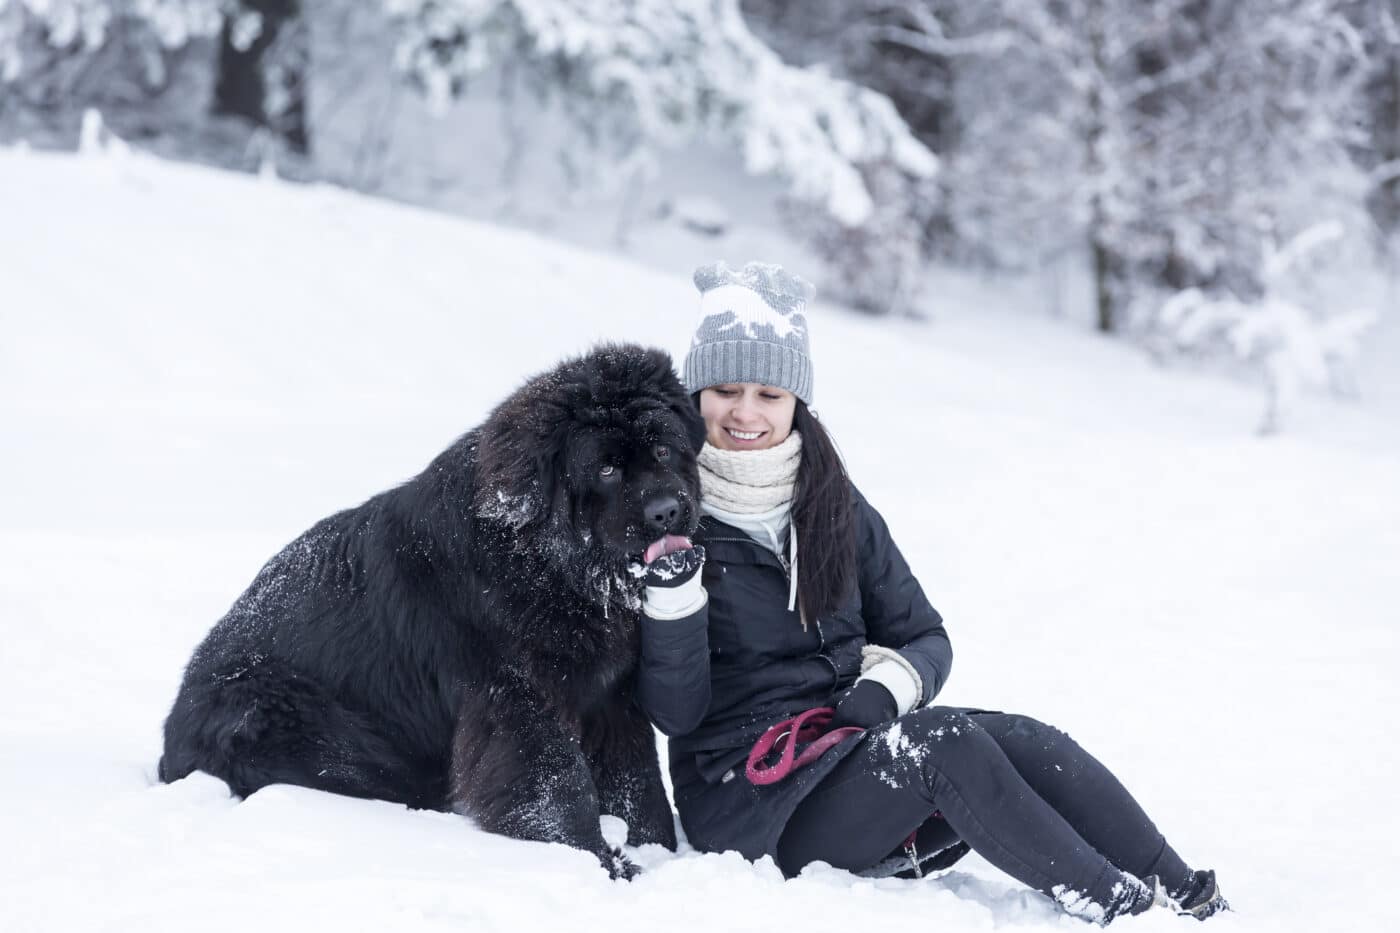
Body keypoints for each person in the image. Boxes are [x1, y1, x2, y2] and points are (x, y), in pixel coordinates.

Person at [632, 261, 1228, 925]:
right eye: (726, 390)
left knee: (1021, 738)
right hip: (746, 801)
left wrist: (884, 691)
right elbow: (675, 715)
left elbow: (925, 635)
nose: (746, 412)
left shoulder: (833, 504)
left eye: (768, 393)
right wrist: (673, 602)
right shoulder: (669, 515)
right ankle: (1122, 908)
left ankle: (1190, 893)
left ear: (795, 399)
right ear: (695, 396)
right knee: (941, 741)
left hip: (845, 750)